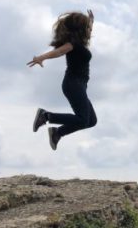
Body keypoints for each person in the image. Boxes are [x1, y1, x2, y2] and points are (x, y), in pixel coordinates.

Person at [27, 9, 97, 150]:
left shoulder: (81, 43)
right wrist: (41, 57)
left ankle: (57, 132)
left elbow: (88, 29)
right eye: (88, 28)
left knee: (91, 121)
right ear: (81, 30)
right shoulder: (72, 44)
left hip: (80, 85)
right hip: (73, 84)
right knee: (83, 119)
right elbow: (58, 52)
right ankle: (46, 116)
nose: (90, 31)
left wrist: (90, 21)